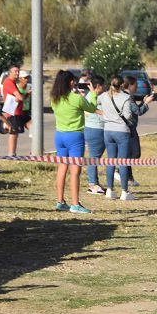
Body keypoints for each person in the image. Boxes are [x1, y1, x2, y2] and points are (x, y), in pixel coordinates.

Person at [50, 70, 98, 213]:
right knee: (75, 171)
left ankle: (60, 201)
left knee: (62, 169)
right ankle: (75, 204)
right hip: (75, 136)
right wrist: (93, 94)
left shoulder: (54, 98)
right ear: (71, 82)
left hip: (59, 135)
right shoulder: (76, 98)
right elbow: (92, 108)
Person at [98, 75, 152, 200]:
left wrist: (107, 115)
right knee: (122, 161)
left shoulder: (104, 95)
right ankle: (124, 191)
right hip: (122, 131)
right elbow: (128, 116)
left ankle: (110, 190)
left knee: (111, 161)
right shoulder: (126, 97)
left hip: (108, 130)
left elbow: (97, 103)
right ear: (122, 85)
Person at [83, 75, 108, 195]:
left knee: (94, 157)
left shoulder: (91, 96)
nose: (104, 87)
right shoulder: (94, 97)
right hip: (96, 129)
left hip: (92, 128)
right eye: (103, 85)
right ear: (98, 86)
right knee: (94, 158)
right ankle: (92, 184)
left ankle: (94, 183)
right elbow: (92, 111)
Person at [1, 66, 27, 157]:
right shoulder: (8, 82)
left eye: (18, 71)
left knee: (30, 125)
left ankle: (13, 153)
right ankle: (11, 154)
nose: (17, 73)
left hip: (18, 111)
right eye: (15, 71)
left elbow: (19, 97)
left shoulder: (12, 82)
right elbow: (19, 97)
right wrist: (23, 96)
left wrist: (24, 95)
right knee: (13, 133)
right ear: (10, 73)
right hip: (13, 112)